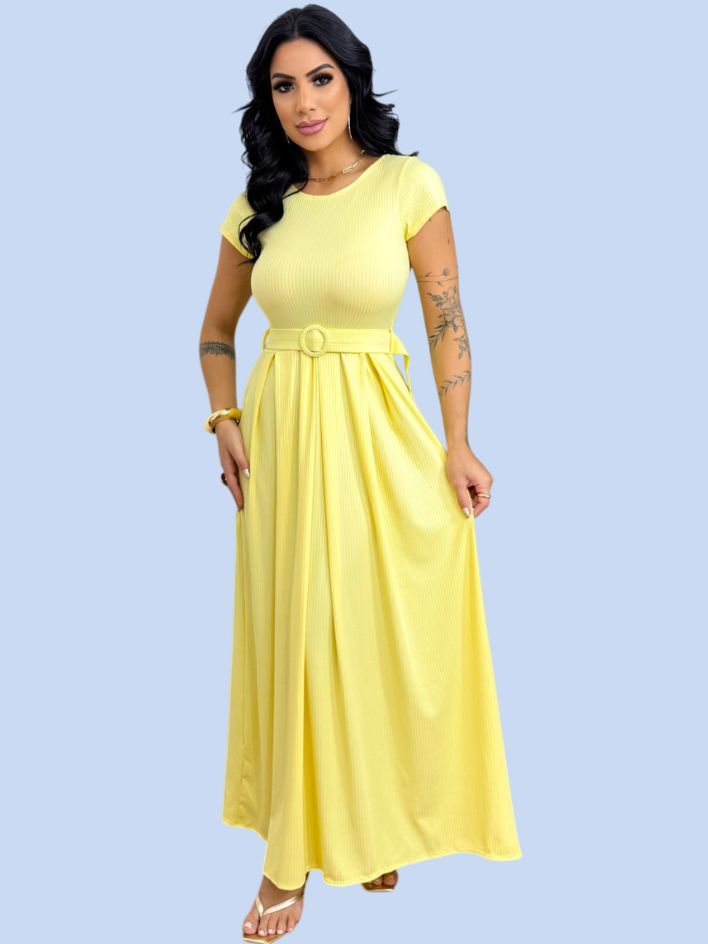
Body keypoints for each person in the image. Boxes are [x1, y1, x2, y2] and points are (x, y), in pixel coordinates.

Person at [199, 6, 522, 941]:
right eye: (283, 85)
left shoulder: (408, 184)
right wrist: (223, 418)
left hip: (378, 436)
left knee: (380, 630)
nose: (304, 102)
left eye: (321, 79)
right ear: (267, 100)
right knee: (297, 634)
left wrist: (459, 442)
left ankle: (370, 820)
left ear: (352, 80)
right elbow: (215, 331)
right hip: (282, 445)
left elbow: (447, 321)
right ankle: (287, 857)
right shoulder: (258, 204)